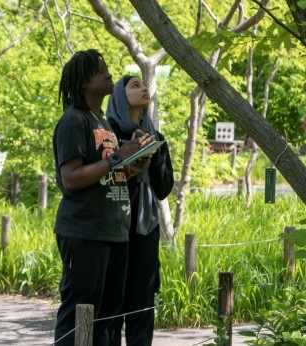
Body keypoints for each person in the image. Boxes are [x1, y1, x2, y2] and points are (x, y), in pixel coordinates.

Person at [52, 50, 146, 345]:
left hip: (114, 232)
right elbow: (71, 179)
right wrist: (118, 156)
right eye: (100, 70)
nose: (109, 74)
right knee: (80, 311)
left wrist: (132, 166)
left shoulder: (101, 121)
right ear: (83, 82)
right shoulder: (73, 121)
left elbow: (106, 173)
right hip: (85, 231)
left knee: (107, 316)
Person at [106, 75, 174, 346]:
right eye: (134, 85)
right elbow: (102, 180)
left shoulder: (155, 136)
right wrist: (129, 165)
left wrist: (153, 157)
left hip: (147, 230)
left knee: (142, 304)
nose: (143, 88)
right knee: (112, 305)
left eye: (145, 85)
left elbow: (164, 188)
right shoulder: (107, 133)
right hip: (115, 229)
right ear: (120, 96)